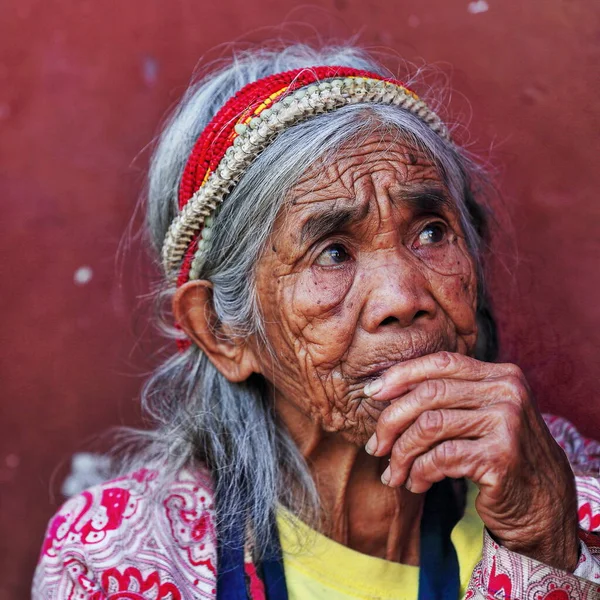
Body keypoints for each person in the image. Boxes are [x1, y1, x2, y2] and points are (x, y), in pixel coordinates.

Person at [33, 44, 600, 600]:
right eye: (332, 252)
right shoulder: (115, 561)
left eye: (430, 231)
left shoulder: (562, 477)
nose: (403, 298)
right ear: (221, 332)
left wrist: (549, 544)